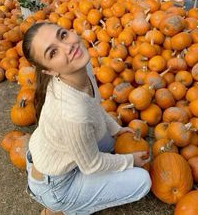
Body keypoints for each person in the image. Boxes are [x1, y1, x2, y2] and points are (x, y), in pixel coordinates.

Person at [22, 22, 151, 215]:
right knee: (142, 181)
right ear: (49, 71)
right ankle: (62, 208)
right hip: (56, 185)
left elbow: (92, 105)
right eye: (53, 53)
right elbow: (92, 165)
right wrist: (129, 160)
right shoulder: (72, 114)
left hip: (53, 153)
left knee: (108, 141)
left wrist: (116, 129)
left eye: (63, 35)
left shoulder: (81, 65)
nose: (68, 47)